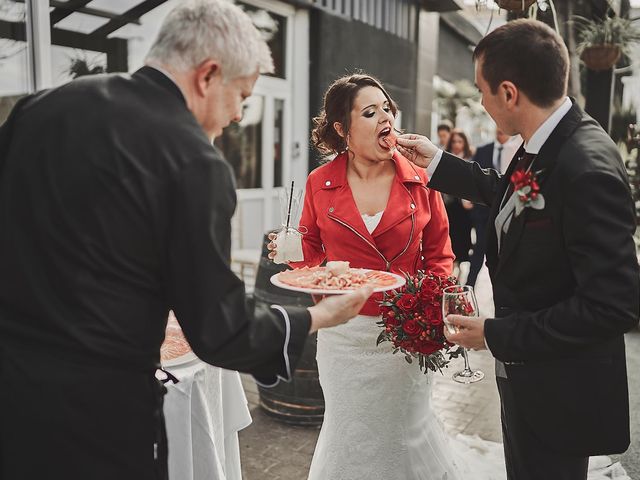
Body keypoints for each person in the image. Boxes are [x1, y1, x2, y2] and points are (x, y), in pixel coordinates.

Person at [0, 1, 372, 479]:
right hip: (98, 417)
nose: (238, 116)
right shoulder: (193, 161)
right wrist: (318, 315)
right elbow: (221, 332)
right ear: (207, 75)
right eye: (242, 95)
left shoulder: (41, 107)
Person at [397, 19, 639, 480]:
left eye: (482, 91)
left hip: (561, 393)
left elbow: (613, 306)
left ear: (509, 93)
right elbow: (512, 196)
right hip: (530, 382)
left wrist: (494, 333)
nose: (481, 103)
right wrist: (437, 161)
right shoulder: (546, 143)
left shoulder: (585, 167)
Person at [269, 74, 460, 479]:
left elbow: (440, 255)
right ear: (343, 129)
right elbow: (310, 253)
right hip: (343, 334)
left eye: (387, 108)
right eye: (370, 112)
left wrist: (431, 310)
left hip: (403, 336)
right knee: (349, 433)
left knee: (404, 432)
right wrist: (288, 251)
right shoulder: (319, 183)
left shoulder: (421, 178)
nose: (384, 118)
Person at [465, 128, 512, 287]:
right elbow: (473, 177)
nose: (500, 130)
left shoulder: (517, 150)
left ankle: (501, 294)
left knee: (503, 257)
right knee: (479, 251)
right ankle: (469, 286)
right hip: (483, 213)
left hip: (506, 214)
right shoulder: (483, 150)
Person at [444, 129, 474, 279]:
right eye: (454, 141)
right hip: (449, 207)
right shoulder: (446, 158)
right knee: (451, 238)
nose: (456, 144)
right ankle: (452, 269)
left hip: (465, 209)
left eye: (460, 141)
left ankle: (461, 271)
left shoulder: (471, 159)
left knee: (463, 240)